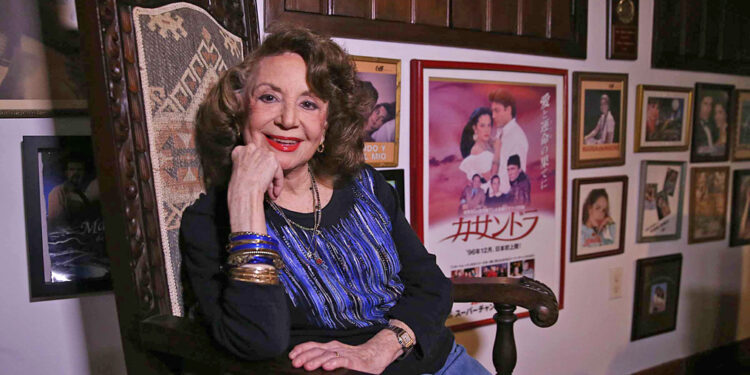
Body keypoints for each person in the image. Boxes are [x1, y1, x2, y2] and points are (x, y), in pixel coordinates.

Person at [182, 25, 489, 374]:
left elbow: (431, 286)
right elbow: (257, 340)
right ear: (240, 110)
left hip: (440, 362)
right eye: (269, 97)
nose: (287, 119)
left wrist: (381, 347)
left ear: (327, 125)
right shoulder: (208, 222)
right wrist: (246, 199)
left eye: (309, 103)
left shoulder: (365, 185)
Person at [489, 89, 528, 195]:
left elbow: (517, 176)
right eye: (492, 111)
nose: (493, 116)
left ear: (508, 110)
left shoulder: (516, 136)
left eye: (497, 111)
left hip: (506, 199)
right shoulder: (500, 132)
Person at [458, 107, 497, 184]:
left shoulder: (486, 147)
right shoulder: (479, 153)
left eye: (489, 125)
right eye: (482, 126)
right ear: (475, 128)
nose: (486, 130)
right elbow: (494, 182)